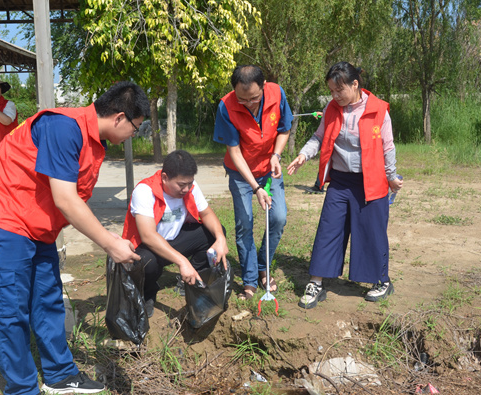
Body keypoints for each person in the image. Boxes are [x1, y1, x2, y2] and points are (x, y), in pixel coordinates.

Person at [0, 81, 150, 395]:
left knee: (48, 299)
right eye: (136, 128)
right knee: (11, 308)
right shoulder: (64, 127)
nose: (133, 135)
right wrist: (111, 244)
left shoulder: (94, 141)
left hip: (36, 225)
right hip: (2, 217)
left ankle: (59, 375)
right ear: (120, 117)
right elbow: (66, 200)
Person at [287, 62, 404, 309]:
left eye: (339, 90)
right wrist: (303, 155)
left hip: (371, 181)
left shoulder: (379, 110)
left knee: (371, 233)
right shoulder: (331, 109)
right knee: (329, 229)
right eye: (331, 91)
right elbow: (318, 137)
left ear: (355, 84)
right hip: (340, 182)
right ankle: (316, 283)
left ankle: (382, 281)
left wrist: (391, 176)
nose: (335, 96)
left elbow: (388, 147)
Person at [213, 65, 293, 300]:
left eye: (254, 98)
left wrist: (276, 156)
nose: (249, 103)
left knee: (278, 217)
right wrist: (256, 188)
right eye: (243, 99)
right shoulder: (226, 106)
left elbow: (284, 129)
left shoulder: (277, 93)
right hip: (240, 172)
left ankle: (263, 267)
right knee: (245, 223)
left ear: (264, 85)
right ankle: (249, 279)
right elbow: (235, 152)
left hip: (270, 168)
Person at [122, 150, 229, 317]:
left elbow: (206, 214)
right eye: (181, 185)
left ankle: (192, 279)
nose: (186, 189)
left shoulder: (190, 187)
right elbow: (148, 236)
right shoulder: (144, 191)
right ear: (164, 177)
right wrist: (182, 261)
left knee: (215, 232)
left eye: (190, 183)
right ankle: (148, 293)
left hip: (174, 240)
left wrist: (221, 239)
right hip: (147, 247)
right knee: (147, 263)